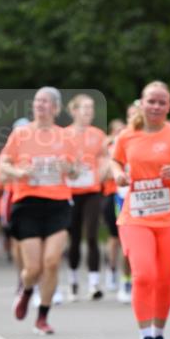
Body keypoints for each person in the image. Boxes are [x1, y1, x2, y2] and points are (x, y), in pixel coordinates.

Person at [111, 81, 170, 339]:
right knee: (144, 274)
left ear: (169, 106)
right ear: (142, 103)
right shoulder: (127, 135)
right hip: (136, 216)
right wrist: (118, 174)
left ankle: (158, 335)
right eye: (151, 101)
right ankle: (145, 336)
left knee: (163, 279)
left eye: (162, 102)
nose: (156, 106)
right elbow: (114, 161)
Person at [0, 88, 76, 334]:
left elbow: (75, 171)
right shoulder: (21, 134)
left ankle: (42, 317)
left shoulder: (65, 136)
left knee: (51, 262)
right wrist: (18, 172)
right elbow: (3, 164)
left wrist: (68, 168)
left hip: (58, 203)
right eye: (37, 101)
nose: (40, 105)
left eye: (45, 101)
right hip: (27, 204)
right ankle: (27, 290)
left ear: (55, 108)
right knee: (33, 268)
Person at [64, 94, 108, 300]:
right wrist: (71, 168)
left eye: (91, 108)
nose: (89, 111)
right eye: (85, 108)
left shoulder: (98, 134)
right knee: (73, 238)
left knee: (91, 235)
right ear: (74, 111)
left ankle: (94, 283)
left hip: (92, 191)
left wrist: (101, 173)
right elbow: (58, 161)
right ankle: (73, 281)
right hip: (70, 192)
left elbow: (106, 159)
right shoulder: (63, 134)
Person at [101, 118, 125, 292]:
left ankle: (127, 274)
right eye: (117, 131)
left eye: (122, 130)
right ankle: (112, 270)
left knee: (126, 237)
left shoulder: (129, 147)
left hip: (128, 196)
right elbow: (103, 175)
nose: (120, 134)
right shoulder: (108, 151)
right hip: (112, 195)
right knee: (114, 237)